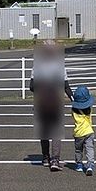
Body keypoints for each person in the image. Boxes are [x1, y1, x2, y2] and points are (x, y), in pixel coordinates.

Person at [30, 41, 73, 171]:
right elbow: (66, 86)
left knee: (43, 131)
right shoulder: (60, 66)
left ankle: (45, 158)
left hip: (41, 102)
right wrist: (73, 98)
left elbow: (31, 87)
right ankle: (55, 160)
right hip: (55, 102)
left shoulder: (37, 66)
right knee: (56, 131)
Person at [71, 85, 96, 176]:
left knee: (78, 150)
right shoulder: (89, 109)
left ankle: (79, 164)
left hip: (78, 133)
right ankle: (90, 164)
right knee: (89, 148)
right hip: (89, 131)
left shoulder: (73, 110)